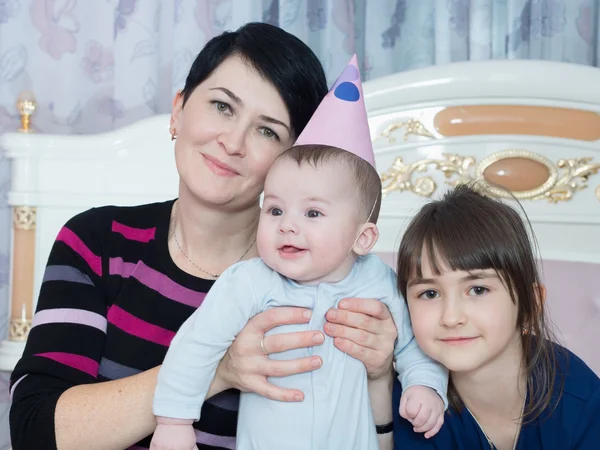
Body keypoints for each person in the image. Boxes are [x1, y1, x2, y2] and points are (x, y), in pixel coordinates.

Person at [9, 23, 399, 450]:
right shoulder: (99, 241)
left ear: (296, 161)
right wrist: (217, 369)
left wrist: (380, 377)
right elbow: (34, 430)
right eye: (222, 106)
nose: (232, 142)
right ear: (178, 110)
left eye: (267, 130)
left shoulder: (330, 279)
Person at [149, 57, 448, 450]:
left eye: (312, 213)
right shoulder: (251, 281)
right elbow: (196, 345)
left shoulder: (378, 282)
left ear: (363, 238)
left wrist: (425, 386)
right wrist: (174, 421)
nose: (287, 225)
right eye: (274, 210)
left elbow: (415, 344)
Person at [392, 184, 600, 449]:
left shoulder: (578, 398)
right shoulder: (413, 402)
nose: (451, 317)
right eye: (430, 294)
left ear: (529, 305)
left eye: (478, 289)